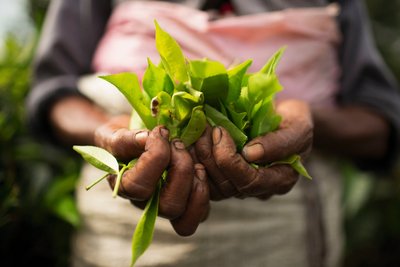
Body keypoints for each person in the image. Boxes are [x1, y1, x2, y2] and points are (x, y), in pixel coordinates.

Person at [27, 0, 400, 266]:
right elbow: (54, 92)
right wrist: (106, 133)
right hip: (114, 239)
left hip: (285, 240)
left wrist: (307, 122)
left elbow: (381, 122)